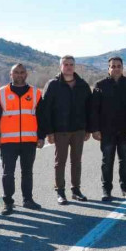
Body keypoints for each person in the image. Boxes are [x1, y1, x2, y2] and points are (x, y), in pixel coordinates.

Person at [0, 64, 45, 215]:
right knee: (8, 173)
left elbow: (42, 117)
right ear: (10, 74)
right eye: (16, 72)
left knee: (27, 172)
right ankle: (8, 202)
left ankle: (28, 200)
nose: (19, 75)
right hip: (7, 141)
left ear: (26, 75)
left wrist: (41, 136)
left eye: (22, 72)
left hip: (29, 140)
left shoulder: (36, 93)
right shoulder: (0, 93)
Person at [39, 55, 92, 205]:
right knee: (60, 162)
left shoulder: (82, 85)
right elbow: (46, 110)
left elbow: (89, 109)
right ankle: (60, 192)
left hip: (79, 130)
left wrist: (88, 128)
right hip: (60, 130)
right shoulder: (53, 85)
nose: (68, 67)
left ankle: (76, 190)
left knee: (77, 161)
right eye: (66, 64)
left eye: (71, 64)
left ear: (75, 67)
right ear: (60, 66)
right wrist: (49, 132)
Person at [89, 56, 126, 201]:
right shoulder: (100, 85)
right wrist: (95, 129)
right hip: (107, 131)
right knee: (107, 161)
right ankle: (106, 190)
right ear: (108, 68)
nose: (116, 68)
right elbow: (94, 110)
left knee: (125, 160)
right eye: (113, 66)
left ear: (122, 68)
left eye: (118, 66)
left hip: (125, 131)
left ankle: (125, 188)